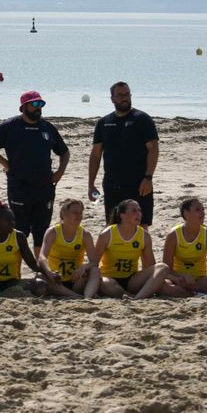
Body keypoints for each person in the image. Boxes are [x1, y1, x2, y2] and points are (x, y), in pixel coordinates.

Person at [0, 90, 70, 255]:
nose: (38, 108)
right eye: (34, 104)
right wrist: (4, 162)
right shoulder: (11, 126)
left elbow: (64, 152)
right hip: (19, 187)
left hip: (45, 188)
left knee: (41, 232)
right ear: (23, 107)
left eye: (40, 104)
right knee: (19, 231)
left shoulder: (47, 127)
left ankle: (40, 272)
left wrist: (59, 173)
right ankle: (16, 272)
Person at [88, 81, 159, 225]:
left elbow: (153, 149)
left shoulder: (142, 119)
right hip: (112, 185)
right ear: (112, 99)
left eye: (126, 94)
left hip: (139, 184)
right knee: (113, 228)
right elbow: (96, 155)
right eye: (119, 95)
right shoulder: (103, 123)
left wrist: (148, 177)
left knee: (141, 227)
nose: (124, 98)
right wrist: (91, 184)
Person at [87, 199, 174, 298]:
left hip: (132, 280)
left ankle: (138, 298)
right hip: (110, 278)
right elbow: (94, 262)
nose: (139, 214)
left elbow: (150, 265)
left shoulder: (144, 235)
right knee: (104, 283)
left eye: (139, 210)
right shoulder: (107, 234)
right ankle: (130, 296)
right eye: (134, 211)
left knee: (163, 267)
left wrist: (171, 278)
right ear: (122, 215)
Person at [161, 198, 207, 297]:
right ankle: (191, 294)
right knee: (161, 285)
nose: (203, 213)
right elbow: (166, 269)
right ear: (186, 214)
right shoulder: (173, 235)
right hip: (179, 280)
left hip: (200, 280)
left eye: (203, 210)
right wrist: (184, 276)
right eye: (198, 210)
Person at [39, 199, 97, 298]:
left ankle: (87, 298)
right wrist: (49, 272)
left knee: (95, 271)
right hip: (57, 279)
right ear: (64, 214)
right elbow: (42, 256)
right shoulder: (53, 232)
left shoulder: (85, 234)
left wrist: (83, 267)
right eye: (75, 213)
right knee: (40, 276)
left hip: (76, 280)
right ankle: (77, 297)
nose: (79, 216)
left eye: (80, 213)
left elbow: (94, 261)